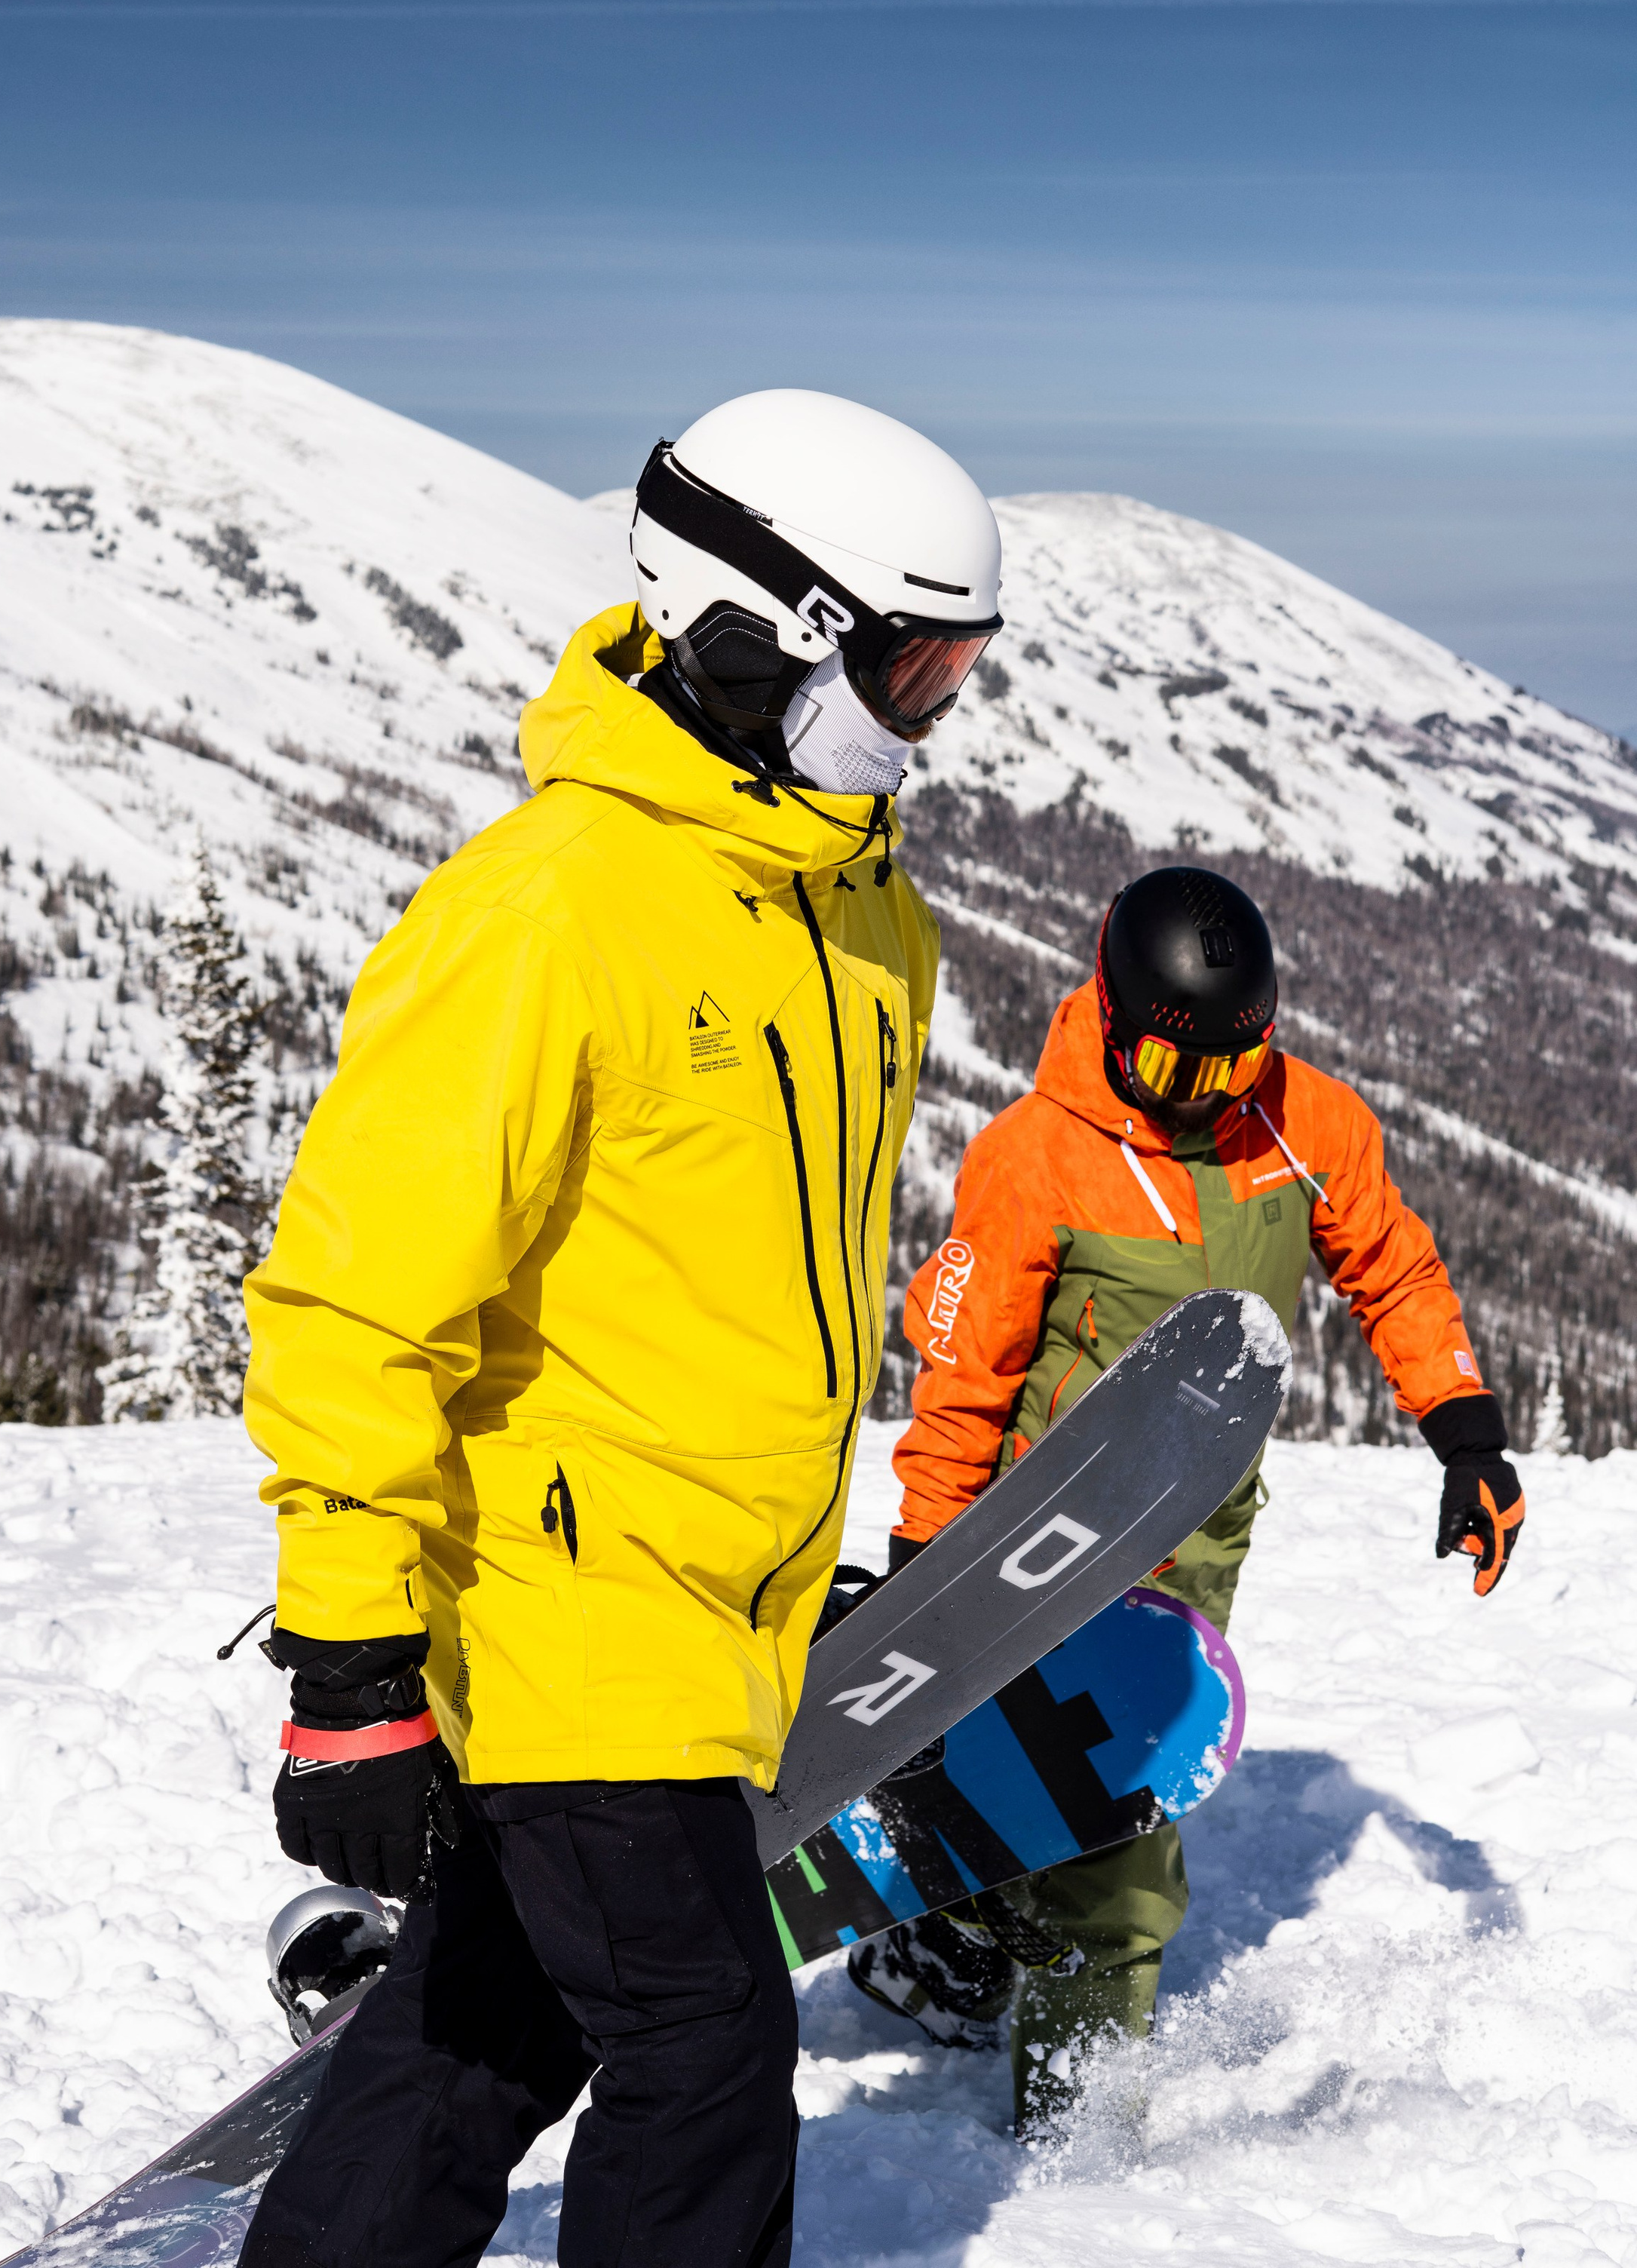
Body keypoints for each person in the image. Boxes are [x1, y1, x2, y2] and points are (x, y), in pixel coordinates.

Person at [236, 390, 1004, 2268]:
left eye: (958, 669)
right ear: (777, 632)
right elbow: (358, 1291)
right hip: (564, 1597)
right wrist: (345, 1672)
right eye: (911, 666)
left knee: (487, 2031)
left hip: (696, 1593)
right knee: (701, 2043)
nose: (937, 712)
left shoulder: (846, 916)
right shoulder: (553, 913)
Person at [850, 862, 1525, 2130]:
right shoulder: (1035, 1158)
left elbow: (1393, 1266)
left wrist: (1465, 1429)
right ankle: (1073, 2145)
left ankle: (940, 1953)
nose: (1203, 1101)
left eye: (1231, 1070)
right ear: (1109, 1019)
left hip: (1198, 1542)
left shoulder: (1303, 1125)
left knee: (1037, 1797)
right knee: (1117, 1858)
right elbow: (964, 1377)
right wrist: (921, 1568)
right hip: (1036, 1550)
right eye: (1172, 1074)